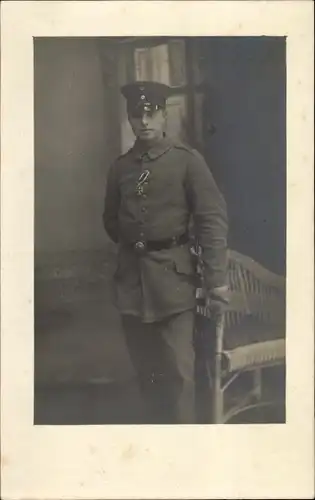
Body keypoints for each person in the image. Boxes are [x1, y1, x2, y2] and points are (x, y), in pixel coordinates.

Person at [103, 81, 229, 424]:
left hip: (174, 284)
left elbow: (212, 220)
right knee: (147, 375)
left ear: (163, 116)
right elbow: (111, 221)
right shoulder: (121, 168)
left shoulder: (187, 161)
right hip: (132, 283)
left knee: (178, 376)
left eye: (151, 113)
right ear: (129, 119)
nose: (143, 121)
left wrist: (216, 280)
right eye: (136, 115)